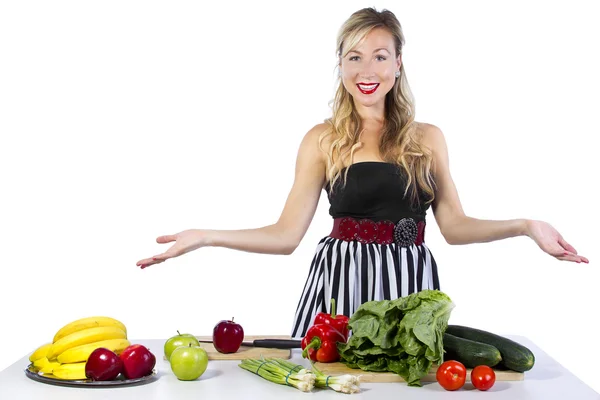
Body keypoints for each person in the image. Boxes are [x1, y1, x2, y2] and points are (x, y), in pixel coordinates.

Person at [136, 7, 588, 339]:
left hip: (408, 288)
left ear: (398, 63)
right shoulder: (322, 139)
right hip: (339, 282)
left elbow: (454, 226)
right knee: (332, 383)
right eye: (354, 57)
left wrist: (526, 226)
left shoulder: (427, 138)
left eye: (378, 56)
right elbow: (285, 235)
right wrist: (206, 236)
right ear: (340, 65)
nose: (366, 70)